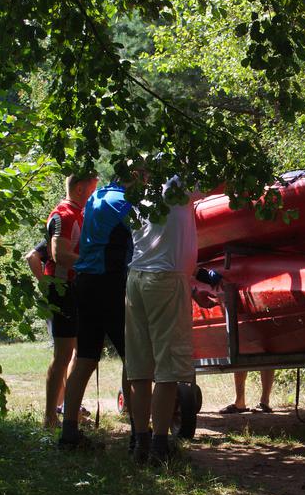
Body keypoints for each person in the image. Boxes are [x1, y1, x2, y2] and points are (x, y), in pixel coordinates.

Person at [126, 173, 222, 464]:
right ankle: (159, 447)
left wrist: (192, 287)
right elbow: (224, 183)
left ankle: (140, 443)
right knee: (168, 369)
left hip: (136, 280)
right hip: (166, 282)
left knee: (140, 369)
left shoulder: (139, 194)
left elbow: (164, 245)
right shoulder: (177, 184)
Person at [58, 178, 134, 449]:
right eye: (147, 177)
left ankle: (69, 432)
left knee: (86, 359)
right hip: (109, 283)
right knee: (132, 357)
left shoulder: (96, 198)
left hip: (85, 282)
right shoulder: (125, 203)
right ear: (135, 176)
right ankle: (139, 433)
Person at [42, 174, 98, 429]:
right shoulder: (63, 214)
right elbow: (58, 254)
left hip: (78, 288)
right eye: (92, 189)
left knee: (79, 352)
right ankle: (49, 417)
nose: (94, 194)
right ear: (79, 188)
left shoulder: (80, 212)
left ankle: (68, 409)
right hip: (62, 289)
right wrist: (93, 263)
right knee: (63, 354)